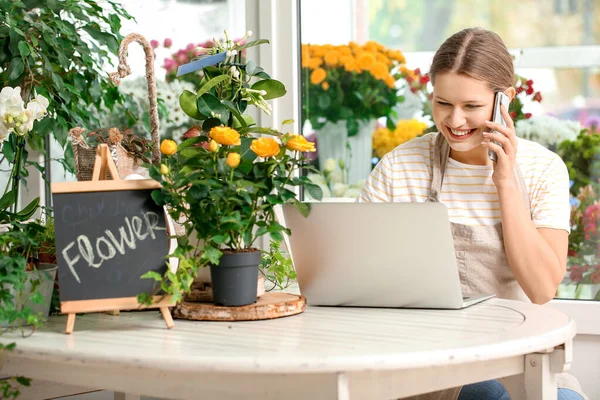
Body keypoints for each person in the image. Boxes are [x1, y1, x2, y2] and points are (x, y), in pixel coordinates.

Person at [358, 28, 587, 400]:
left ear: (504, 101)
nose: (455, 121)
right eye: (443, 103)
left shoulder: (544, 169)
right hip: (426, 365)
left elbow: (542, 288)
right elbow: (356, 274)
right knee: (486, 393)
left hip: (522, 357)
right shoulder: (399, 168)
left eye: (472, 106)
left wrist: (506, 182)